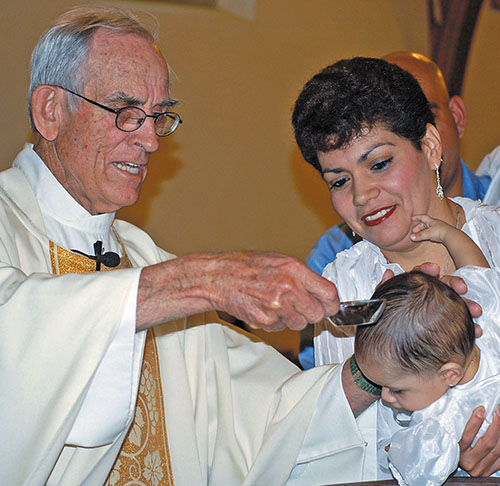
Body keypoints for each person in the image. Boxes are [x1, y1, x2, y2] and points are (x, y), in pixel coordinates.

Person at [0, 9, 495, 484]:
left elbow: (260, 421)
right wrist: (203, 280)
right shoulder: (161, 277)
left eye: (159, 117)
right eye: (127, 112)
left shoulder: (144, 261)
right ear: (50, 110)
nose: (150, 139)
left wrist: (375, 364)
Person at [291, 55, 500, 479]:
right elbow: (346, 450)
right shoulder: (343, 288)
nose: (364, 194)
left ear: (430, 145)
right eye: (339, 180)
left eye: (379, 163)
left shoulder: (495, 236)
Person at [355, 269, 500, 485]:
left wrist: (399, 450)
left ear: (449, 375)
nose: (386, 397)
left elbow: (419, 472)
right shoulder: (491, 329)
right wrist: (446, 234)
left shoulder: (442, 419)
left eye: (396, 389)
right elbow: (479, 269)